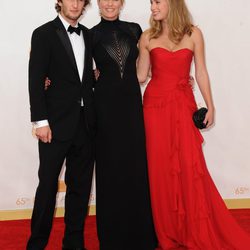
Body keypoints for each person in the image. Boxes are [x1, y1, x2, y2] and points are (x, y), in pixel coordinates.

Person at [137, 0, 250, 249]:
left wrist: (210, 105)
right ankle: (166, 233)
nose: (152, 7)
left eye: (157, 2)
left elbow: (201, 72)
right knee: (160, 171)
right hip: (154, 110)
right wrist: (102, 73)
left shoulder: (193, 33)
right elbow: (140, 76)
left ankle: (192, 230)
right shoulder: (147, 37)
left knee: (189, 167)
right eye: (151, 3)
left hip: (182, 107)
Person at [27, 0, 95, 249]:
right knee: (47, 187)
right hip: (54, 125)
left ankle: (74, 243)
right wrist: (40, 121)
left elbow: (90, 78)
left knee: (80, 187)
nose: (75, 4)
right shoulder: (43, 33)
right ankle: (36, 244)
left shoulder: (89, 34)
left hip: (85, 125)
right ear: (59, 1)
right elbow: (35, 80)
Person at [90, 0, 156, 249]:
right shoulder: (91, 34)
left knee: (135, 166)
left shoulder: (135, 29)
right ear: (98, 3)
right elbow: (78, 71)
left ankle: (141, 234)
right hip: (105, 109)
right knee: (110, 170)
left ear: (121, 2)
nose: (109, 3)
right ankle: (113, 236)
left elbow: (145, 68)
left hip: (131, 108)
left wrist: (181, 76)